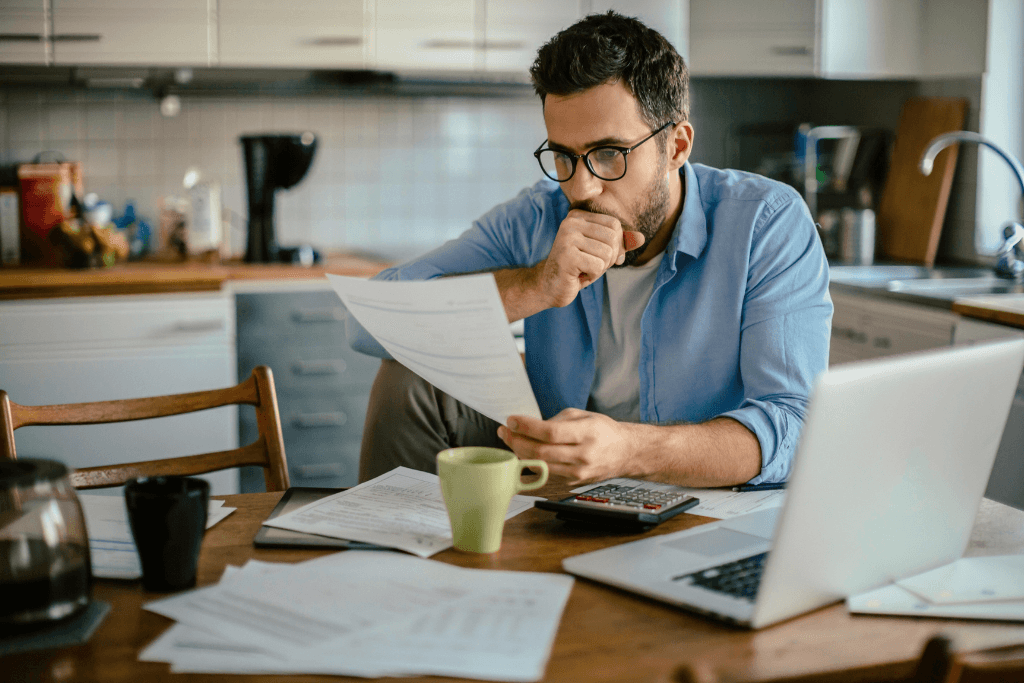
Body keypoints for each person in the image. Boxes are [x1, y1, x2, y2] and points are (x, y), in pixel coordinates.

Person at [348, 11, 832, 487]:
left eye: (609, 154)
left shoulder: (764, 223)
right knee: (408, 377)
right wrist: (535, 285)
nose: (580, 187)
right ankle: (400, 556)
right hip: (557, 475)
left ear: (677, 147)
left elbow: (796, 425)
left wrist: (628, 451)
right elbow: (367, 324)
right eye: (563, 156)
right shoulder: (536, 218)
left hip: (700, 492)